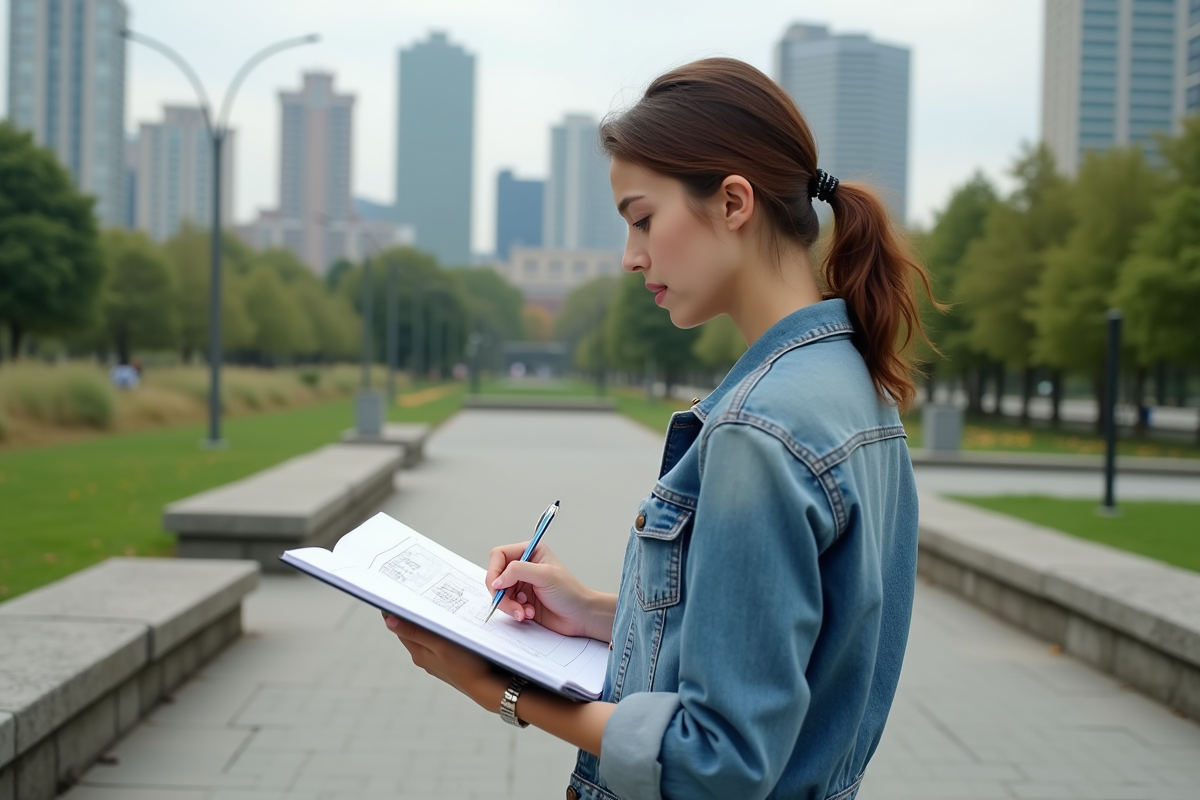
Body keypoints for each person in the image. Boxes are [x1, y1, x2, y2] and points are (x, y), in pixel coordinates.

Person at [383, 57, 936, 800]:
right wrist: (597, 615)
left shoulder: (758, 430)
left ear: (734, 201)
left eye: (643, 219)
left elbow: (718, 761)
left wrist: (500, 690)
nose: (630, 256)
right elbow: (780, 657)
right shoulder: (855, 385)